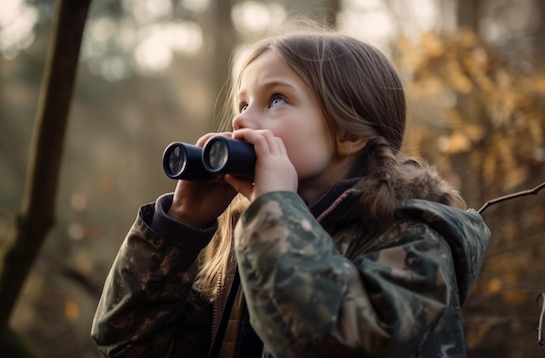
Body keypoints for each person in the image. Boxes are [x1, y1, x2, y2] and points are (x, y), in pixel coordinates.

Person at [91, 25, 491, 358]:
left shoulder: (413, 238)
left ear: (349, 132)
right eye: (243, 103)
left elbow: (333, 341)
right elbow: (125, 344)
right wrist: (178, 228)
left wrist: (274, 212)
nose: (243, 118)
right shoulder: (251, 238)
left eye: (276, 99)